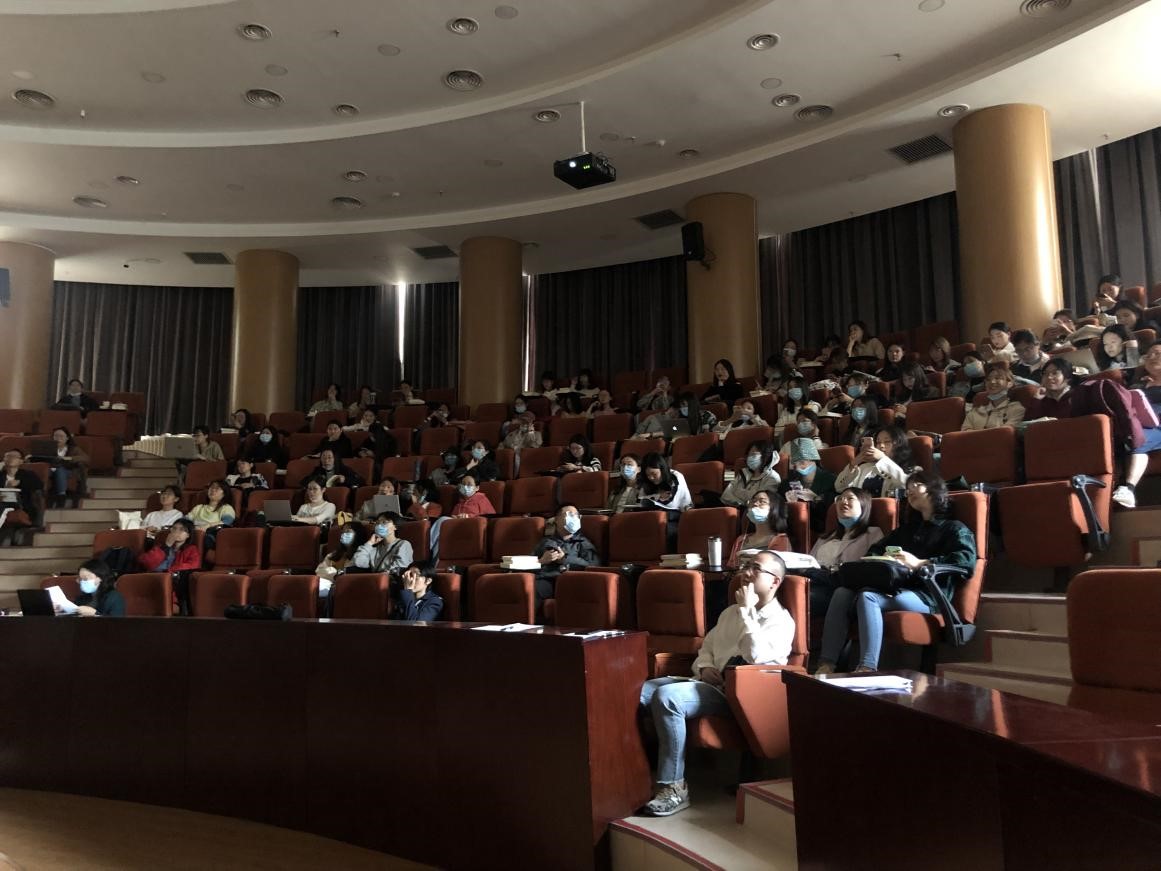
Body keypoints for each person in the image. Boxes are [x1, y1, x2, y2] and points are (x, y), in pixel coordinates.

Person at [638, 551, 793, 817]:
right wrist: (705, 667)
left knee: (668, 697)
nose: (746, 573)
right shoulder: (730, 612)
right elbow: (707, 648)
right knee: (638, 693)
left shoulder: (781, 621)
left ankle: (674, 788)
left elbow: (755, 656)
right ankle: (634, 775)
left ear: (774, 581)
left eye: (756, 569)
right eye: (746, 566)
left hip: (741, 696)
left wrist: (747, 611)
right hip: (708, 684)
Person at [815, 471, 976, 673]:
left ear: (934, 489)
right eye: (907, 489)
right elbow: (875, 550)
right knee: (842, 592)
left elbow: (965, 563)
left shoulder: (954, 528)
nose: (910, 491)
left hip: (927, 595)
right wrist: (884, 559)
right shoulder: (906, 530)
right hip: (896, 587)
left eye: (916, 485)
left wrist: (920, 563)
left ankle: (867, 667)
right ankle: (827, 664)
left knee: (868, 597)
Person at [805, 487, 885, 621]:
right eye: (840, 498)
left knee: (802, 598)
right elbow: (809, 561)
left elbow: (871, 568)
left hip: (842, 589)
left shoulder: (872, 533)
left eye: (850, 498)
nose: (843, 502)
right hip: (815, 582)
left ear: (863, 505)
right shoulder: (826, 537)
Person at [1113, 343, 1161, 509]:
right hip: (1138, 423)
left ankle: (1128, 489)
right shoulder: (1138, 386)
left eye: (1157, 353)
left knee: (1137, 438)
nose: (1152, 357)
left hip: (1158, 426)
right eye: (1149, 355)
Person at [533, 504, 598, 608]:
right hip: (544, 579)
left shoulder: (583, 543)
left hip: (568, 582)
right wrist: (541, 561)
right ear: (557, 519)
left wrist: (565, 559)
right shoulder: (545, 542)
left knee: (534, 589)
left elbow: (594, 566)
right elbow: (526, 564)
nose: (574, 518)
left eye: (577, 515)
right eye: (570, 515)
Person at [834, 425, 913, 497]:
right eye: (878, 442)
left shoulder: (911, 469)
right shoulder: (865, 467)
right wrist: (853, 463)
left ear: (899, 444)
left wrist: (882, 458)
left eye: (887, 442)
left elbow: (908, 486)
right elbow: (839, 487)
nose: (881, 446)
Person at [781, 438, 837, 524]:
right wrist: (791, 504)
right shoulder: (789, 482)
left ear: (813, 459)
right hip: (795, 523)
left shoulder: (830, 479)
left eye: (802, 462)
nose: (798, 467)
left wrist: (815, 498)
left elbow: (833, 508)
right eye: (795, 463)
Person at [728, 490, 789, 566]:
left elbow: (778, 568)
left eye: (762, 502)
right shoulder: (741, 539)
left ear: (774, 508)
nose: (755, 504)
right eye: (753, 501)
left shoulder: (781, 539)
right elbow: (731, 567)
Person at [0, 448, 44, 546]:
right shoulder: (0, 475)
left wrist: (20, 482)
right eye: (7, 456)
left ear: (21, 461)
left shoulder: (28, 475)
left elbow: (39, 486)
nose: (10, 458)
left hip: (21, 505)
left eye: (14, 456)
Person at [962, 363, 1025, 430]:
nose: (992, 382)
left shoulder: (1016, 409)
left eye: (997, 378)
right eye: (988, 379)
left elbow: (1005, 433)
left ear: (1009, 383)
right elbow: (964, 432)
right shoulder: (975, 412)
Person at [720, 440, 781, 508]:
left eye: (753, 454)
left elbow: (759, 501)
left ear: (765, 456)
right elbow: (726, 494)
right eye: (749, 454)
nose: (749, 457)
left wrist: (738, 494)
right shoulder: (743, 472)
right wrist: (742, 501)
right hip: (730, 506)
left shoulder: (772, 477)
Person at [45, 426, 89, 508]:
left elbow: (85, 458)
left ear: (67, 438)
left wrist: (70, 458)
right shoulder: (48, 449)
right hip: (50, 470)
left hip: (68, 471)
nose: (58, 438)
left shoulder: (73, 449)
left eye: (61, 436)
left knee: (60, 470)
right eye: (56, 436)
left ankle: (61, 497)